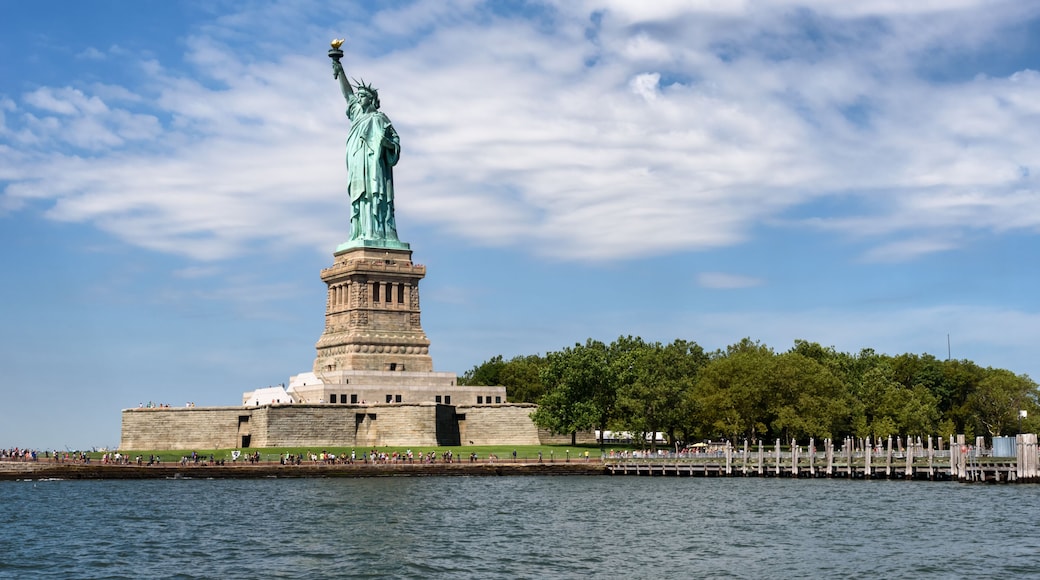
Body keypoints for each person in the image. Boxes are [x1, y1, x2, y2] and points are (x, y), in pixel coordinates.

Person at [331, 56, 401, 243]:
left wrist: (387, 144)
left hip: (374, 164)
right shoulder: (357, 114)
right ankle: (361, 232)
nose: (359, 98)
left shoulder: (380, 118)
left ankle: (379, 232)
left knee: (374, 195)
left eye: (362, 96)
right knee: (360, 196)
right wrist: (340, 71)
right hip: (357, 161)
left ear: (371, 99)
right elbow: (348, 95)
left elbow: (395, 143)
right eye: (359, 95)